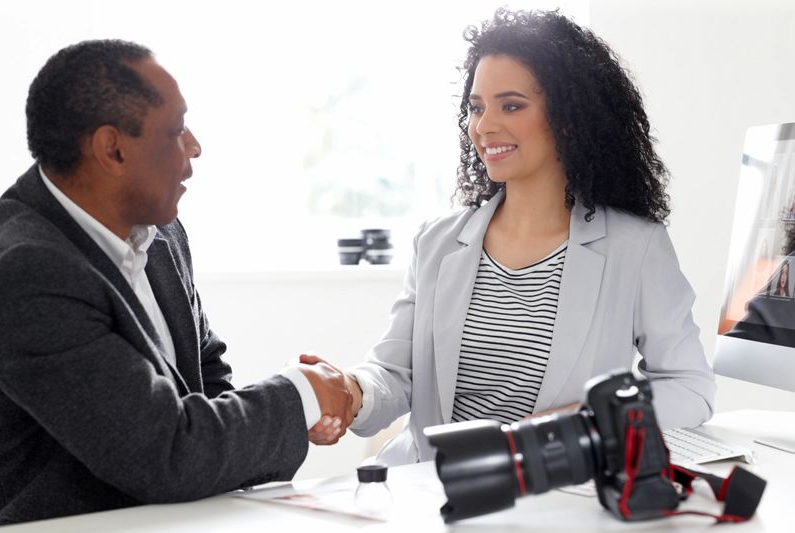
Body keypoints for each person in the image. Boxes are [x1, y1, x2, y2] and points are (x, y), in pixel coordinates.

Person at [306, 8, 715, 464]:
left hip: (549, 491)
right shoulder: (438, 242)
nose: (483, 126)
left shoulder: (634, 247)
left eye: (511, 105)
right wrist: (352, 391)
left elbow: (689, 387)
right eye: (476, 107)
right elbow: (395, 372)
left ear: (569, 117)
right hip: (425, 485)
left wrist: (590, 418)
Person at [0, 40, 353, 526]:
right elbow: (163, 452)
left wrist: (277, 423)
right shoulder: (26, 270)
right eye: (177, 129)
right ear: (112, 149)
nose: (195, 147)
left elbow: (205, 379)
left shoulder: (160, 232)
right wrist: (301, 395)